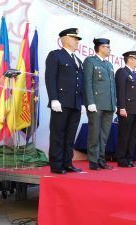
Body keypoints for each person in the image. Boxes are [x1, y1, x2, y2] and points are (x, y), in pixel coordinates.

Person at [45, 28, 84, 174]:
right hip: (61, 103)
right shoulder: (56, 55)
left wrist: (83, 102)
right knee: (58, 134)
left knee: (70, 136)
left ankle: (68, 163)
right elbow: (50, 78)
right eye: (75, 38)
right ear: (65, 39)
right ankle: (56, 165)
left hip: (75, 103)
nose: (77, 41)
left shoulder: (78, 60)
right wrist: (54, 99)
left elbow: (81, 83)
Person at [83, 38, 116, 170]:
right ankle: (93, 160)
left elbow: (112, 86)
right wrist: (90, 102)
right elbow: (88, 82)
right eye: (107, 47)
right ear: (100, 48)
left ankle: (101, 159)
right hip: (96, 104)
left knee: (104, 135)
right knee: (94, 133)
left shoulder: (109, 65)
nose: (109, 49)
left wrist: (115, 103)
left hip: (108, 105)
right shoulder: (90, 61)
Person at [115, 51, 136, 167]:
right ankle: (122, 159)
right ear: (130, 59)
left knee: (133, 136)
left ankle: (129, 158)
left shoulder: (135, 75)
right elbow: (120, 91)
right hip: (127, 109)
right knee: (125, 135)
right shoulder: (122, 72)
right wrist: (121, 107)